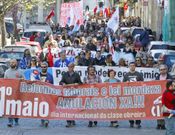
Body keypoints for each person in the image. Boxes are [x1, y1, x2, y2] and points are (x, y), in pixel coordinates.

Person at [30, 61, 53, 127]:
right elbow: (34, 84)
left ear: (47, 67)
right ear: (40, 67)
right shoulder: (37, 76)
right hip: (40, 94)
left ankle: (46, 120)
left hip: (47, 94)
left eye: (45, 67)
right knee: (41, 107)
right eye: (42, 67)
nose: (43, 68)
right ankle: (42, 120)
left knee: (47, 107)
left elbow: (52, 86)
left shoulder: (50, 76)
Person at [59, 63, 82, 127]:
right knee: (67, 107)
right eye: (68, 67)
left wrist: (77, 83)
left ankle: (72, 119)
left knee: (73, 107)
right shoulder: (65, 74)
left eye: (71, 67)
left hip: (74, 93)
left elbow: (80, 83)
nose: (69, 68)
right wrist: (63, 83)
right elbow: (60, 82)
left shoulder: (76, 75)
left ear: (73, 67)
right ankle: (68, 121)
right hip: (67, 93)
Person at [123, 62, 144, 128]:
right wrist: (126, 83)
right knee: (130, 109)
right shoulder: (126, 75)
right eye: (131, 66)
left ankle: (138, 122)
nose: (132, 67)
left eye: (133, 65)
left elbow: (142, 83)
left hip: (137, 93)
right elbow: (122, 84)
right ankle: (131, 122)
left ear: (135, 66)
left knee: (138, 108)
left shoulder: (139, 74)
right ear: (129, 67)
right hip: (129, 94)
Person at [4, 59, 24, 127]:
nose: (12, 63)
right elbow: (4, 82)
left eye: (13, 62)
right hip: (9, 92)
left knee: (16, 107)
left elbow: (25, 80)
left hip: (18, 92)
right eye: (11, 62)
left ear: (16, 63)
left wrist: (21, 80)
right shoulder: (6, 72)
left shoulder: (20, 71)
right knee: (9, 106)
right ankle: (10, 121)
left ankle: (16, 120)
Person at [155, 64, 172, 130]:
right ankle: (159, 124)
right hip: (158, 95)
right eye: (161, 70)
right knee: (158, 109)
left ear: (166, 70)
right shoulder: (157, 77)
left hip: (167, 95)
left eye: (164, 69)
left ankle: (163, 124)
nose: (162, 71)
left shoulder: (170, 77)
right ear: (159, 70)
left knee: (165, 109)